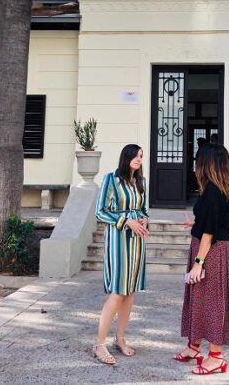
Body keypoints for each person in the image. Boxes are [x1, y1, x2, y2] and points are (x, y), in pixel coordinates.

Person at [174, 143, 229, 375]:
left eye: (198, 161)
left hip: (210, 252)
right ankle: (194, 347)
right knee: (199, 299)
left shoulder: (213, 190)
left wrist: (198, 263)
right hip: (210, 248)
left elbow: (210, 232)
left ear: (207, 164)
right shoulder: (221, 188)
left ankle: (216, 357)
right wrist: (196, 223)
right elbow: (214, 220)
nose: (196, 165)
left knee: (212, 303)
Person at [93, 144, 150, 365]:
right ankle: (99, 344)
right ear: (126, 157)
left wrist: (143, 220)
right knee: (118, 291)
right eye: (135, 155)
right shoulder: (111, 179)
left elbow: (143, 209)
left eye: (141, 156)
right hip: (118, 240)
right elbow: (100, 211)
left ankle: (120, 338)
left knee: (130, 291)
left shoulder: (141, 182)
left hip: (137, 241)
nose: (139, 159)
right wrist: (127, 221)